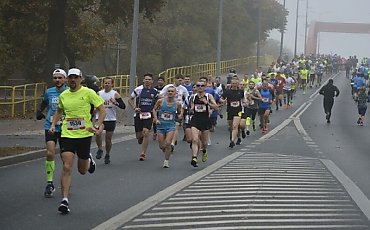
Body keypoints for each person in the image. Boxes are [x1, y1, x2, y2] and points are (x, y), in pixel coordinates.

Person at [49, 68, 106, 214]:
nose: (72, 80)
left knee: (82, 170)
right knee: (67, 167)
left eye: (75, 77)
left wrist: (98, 125)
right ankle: (64, 200)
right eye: (70, 78)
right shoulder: (64, 95)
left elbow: (102, 110)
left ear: (80, 79)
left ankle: (88, 158)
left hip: (84, 135)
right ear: (67, 79)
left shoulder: (88, 93)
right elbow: (59, 111)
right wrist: (53, 124)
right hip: (67, 134)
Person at [36, 68, 68, 198]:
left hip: (66, 127)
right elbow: (44, 103)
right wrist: (39, 112)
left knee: (65, 158)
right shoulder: (49, 92)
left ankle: (65, 181)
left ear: (65, 79)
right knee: (50, 152)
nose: (57, 80)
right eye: (55, 78)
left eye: (60, 78)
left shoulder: (69, 92)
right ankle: (50, 183)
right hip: (51, 126)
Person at [128, 73, 159, 161]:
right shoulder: (138, 89)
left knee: (146, 132)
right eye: (146, 79)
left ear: (152, 81)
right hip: (139, 114)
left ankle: (143, 153)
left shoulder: (155, 91)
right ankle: (140, 137)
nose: (147, 81)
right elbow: (130, 99)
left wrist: (156, 109)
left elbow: (160, 100)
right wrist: (134, 108)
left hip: (149, 114)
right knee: (139, 135)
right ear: (143, 80)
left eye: (149, 79)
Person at [95, 77, 126, 164]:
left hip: (111, 119)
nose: (107, 84)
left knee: (108, 139)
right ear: (103, 84)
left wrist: (115, 102)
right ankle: (100, 149)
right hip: (100, 118)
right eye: (105, 83)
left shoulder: (115, 94)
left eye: (109, 83)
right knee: (98, 133)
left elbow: (123, 106)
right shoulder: (99, 93)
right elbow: (93, 104)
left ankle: (107, 154)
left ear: (112, 84)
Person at [152, 85, 182, 168]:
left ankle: (166, 161)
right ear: (166, 92)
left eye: (172, 91)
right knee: (162, 146)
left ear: (175, 93)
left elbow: (180, 112)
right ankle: (166, 151)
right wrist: (156, 119)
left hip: (171, 126)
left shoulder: (177, 103)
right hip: (161, 125)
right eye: (169, 91)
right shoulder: (160, 101)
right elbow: (154, 109)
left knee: (168, 143)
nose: (170, 93)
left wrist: (180, 116)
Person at [190, 80, 218, 167]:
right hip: (195, 120)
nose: (200, 87)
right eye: (198, 86)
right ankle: (194, 157)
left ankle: (204, 151)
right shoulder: (193, 97)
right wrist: (191, 109)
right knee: (194, 139)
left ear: (205, 87)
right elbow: (191, 108)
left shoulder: (208, 96)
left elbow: (216, 107)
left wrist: (207, 103)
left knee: (204, 143)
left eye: (202, 86)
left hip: (205, 120)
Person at [160, 74, 189, 152]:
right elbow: (160, 95)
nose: (180, 80)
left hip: (177, 110)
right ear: (175, 79)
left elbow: (187, 99)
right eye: (178, 79)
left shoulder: (183, 89)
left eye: (181, 79)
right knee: (167, 128)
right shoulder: (168, 87)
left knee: (176, 126)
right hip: (167, 109)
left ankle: (172, 144)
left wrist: (183, 109)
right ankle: (168, 140)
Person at [220, 79, 245, 148]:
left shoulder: (240, 91)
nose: (234, 85)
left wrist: (245, 102)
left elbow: (243, 99)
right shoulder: (227, 91)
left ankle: (232, 141)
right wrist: (223, 101)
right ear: (231, 84)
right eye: (233, 83)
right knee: (231, 127)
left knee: (235, 126)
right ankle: (238, 137)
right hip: (230, 111)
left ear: (238, 84)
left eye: (236, 83)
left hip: (238, 111)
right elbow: (221, 98)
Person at [152, 76, 165, 141]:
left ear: (163, 81)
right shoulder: (154, 89)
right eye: (159, 80)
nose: (160, 82)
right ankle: (155, 132)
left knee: (162, 119)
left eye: (161, 80)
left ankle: (162, 132)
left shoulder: (165, 89)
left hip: (163, 106)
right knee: (155, 119)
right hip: (156, 105)